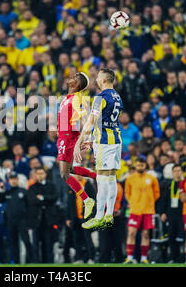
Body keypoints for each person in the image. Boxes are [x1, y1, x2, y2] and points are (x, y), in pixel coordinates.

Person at [74, 68, 123, 230]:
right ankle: (109, 215)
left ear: (104, 80)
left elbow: (91, 121)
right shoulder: (117, 96)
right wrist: (92, 141)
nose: (95, 80)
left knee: (102, 178)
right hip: (115, 140)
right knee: (111, 177)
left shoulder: (100, 97)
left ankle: (99, 216)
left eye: (98, 78)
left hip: (104, 142)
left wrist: (79, 141)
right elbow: (107, 121)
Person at [57, 71, 97, 220]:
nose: (70, 78)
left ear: (77, 84)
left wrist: (80, 140)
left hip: (68, 138)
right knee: (69, 170)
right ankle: (97, 176)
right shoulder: (66, 99)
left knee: (64, 174)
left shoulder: (76, 99)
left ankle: (87, 200)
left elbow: (84, 119)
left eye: (74, 78)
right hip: (63, 136)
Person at [124, 157, 160, 264]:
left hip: (148, 211)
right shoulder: (130, 179)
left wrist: (148, 201)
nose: (140, 167)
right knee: (131, 233)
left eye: (142, 165)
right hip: (135, 210)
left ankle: (144, 258)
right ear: (135, 165)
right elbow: (127, 193)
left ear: (145, 165)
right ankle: (129, 257)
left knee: (145, 234)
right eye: (138, 165)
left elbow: (156, 193)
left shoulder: (152, 178)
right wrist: (134, 202)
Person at [0, 172, 33, 264]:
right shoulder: (6, 192)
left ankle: (32, 261)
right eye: (11, 179)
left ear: (17, 179)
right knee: (13, 243)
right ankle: (16, 262)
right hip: (11, 221)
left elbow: (29, 207)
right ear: (9, 181)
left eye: (15, 178)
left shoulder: (23, 191)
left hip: (22, 221)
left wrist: (29, 221)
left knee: (26, 241)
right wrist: (0, 189)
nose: (13, 181)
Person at [27, 167, 58, 263]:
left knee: (48, 244)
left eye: (42, 173)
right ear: (35, 175)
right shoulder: (32, 187)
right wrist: (46, 200)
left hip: (48, 220)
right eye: (38, 173)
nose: (40, 175)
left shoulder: (51, 186)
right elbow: (31, 200)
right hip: (36, 220)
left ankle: (49, 263)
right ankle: (36, 263)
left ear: (45, 174)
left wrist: (42, 198)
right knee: (36, 244)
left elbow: (54, 198)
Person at [159, 164, 185, 263]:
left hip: (182, 213)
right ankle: (174, 258)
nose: (177, 173)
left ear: (182, 172)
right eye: (175, 171)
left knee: (182, 236)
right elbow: (164, 200)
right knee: (171, 236)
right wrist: (163, 212)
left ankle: (184, 257)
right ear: (172, 173)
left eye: (179, 171)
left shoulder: (184, 183)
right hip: (171, 214)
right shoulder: (168, 184)